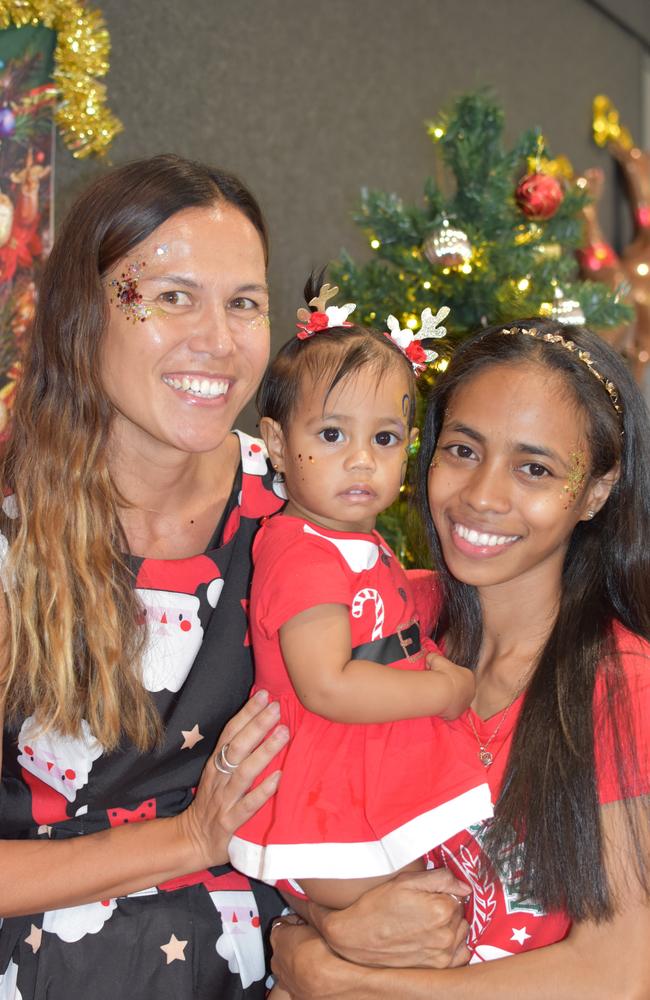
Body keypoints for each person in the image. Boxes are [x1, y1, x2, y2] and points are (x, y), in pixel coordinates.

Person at [269, 318, 650, 998]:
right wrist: (319, 924)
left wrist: (336, 975)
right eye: (463, 451)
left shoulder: (623, 687)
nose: (482, 495)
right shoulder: (375, 621)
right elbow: (272, 818)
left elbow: (616, 973)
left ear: (595, 491)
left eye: (535, 469)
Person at [0, 154, 296, 1000]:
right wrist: (188, 840)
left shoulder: (298, 504)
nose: (218, 339)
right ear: (82, 314)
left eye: (243, 303)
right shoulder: (12, 533)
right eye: (172, 297)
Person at [228, 285, 492, 910]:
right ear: (275, 440)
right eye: (330, 434)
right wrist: (447, 691)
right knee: (388, 932)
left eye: (384, 439)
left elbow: (377, 605)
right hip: (327, 788)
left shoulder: (346, 538)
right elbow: (330, 686)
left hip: (362, 768)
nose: (361, 462)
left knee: (419, 920)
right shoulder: (301, 553)